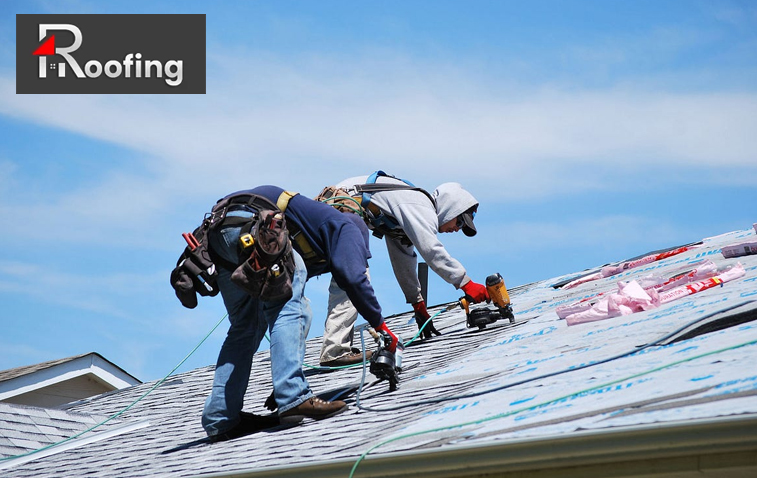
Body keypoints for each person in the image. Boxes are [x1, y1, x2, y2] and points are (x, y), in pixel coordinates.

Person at [199, 185, 400, 442]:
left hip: (218, 232)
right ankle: (293, 396)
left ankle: (220, 419)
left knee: (245, 327)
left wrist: (287, 367)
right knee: (288, 304)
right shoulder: (349, 226)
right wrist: (381, 326)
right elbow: (352, 276)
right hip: (251, 225)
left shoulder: (311, 228)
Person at [318, 172, 488, 367]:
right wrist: (465, 283)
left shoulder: (409, 214)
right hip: (340, 210)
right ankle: (335, 351)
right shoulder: (420, 207)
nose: (457, 229)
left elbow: (403, 259)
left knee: (351, 278)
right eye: (459, 221)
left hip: (341, 213)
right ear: (450, 209)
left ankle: (338, 347)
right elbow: (431, 250)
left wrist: (418, 303)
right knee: (355, 278)